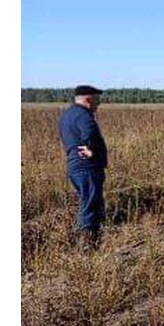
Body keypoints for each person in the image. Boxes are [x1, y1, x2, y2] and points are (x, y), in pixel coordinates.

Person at [59, 85, 108, 249]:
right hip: (87, 167)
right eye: (97, 99)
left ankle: (93, 237)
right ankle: (87, 245)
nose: (98, 104)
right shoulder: (84, 115)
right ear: (88, 100)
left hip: (75, 166)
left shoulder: (67, 115)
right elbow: (90, 133)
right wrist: (91, 149)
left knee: (89, 201)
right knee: (90, 203)